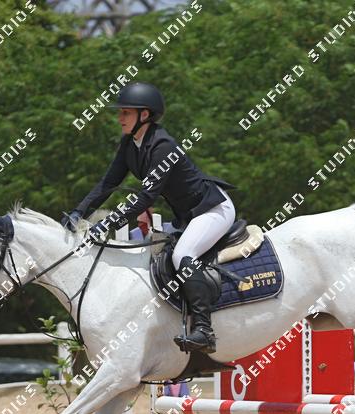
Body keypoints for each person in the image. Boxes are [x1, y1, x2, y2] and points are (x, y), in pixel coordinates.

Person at [62, 82, 236, 353]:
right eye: (120, 112)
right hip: (188, 216)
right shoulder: (130, 145)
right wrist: (78, 213)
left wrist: (107, 223)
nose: (119, 118)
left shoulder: (163, 145)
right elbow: (108, 184)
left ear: (144, 115)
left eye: (125, 113)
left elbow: (146, 197)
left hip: (212, 209)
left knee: (183, 255)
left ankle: (204, 330)